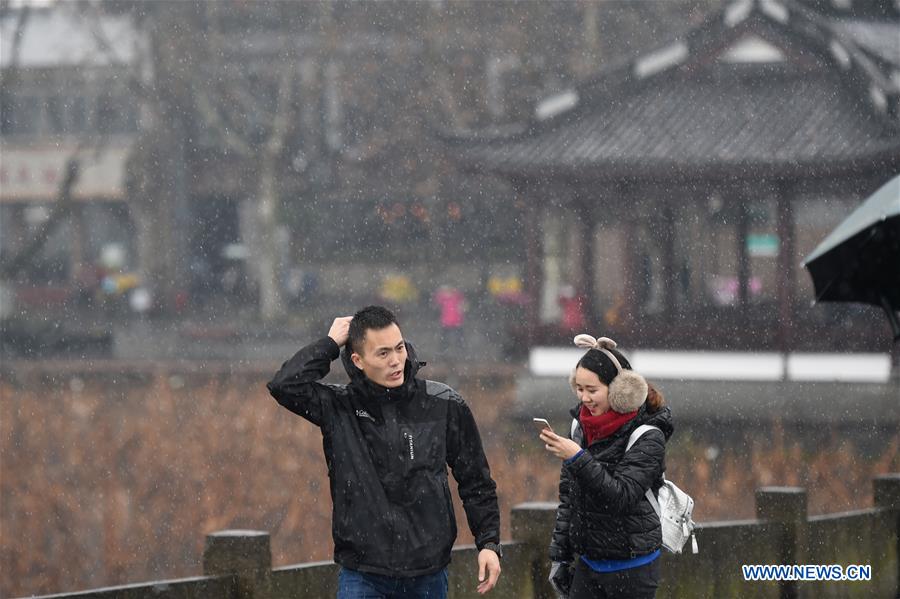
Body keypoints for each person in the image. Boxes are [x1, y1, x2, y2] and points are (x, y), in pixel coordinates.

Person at [267, 305, 502, 598]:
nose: (396, 361)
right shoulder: (340, 408)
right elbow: (284, 385)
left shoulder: (443, 404)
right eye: (383, 353)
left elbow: (476, 481)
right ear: (358, 360)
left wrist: (489, 543)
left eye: (399, 348)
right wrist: (329, 344)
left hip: (428, 573)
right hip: (364, 574)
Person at [539, 334, 672, 599]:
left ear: (620, 391)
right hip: (588, 564)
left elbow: (620, 497)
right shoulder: (580, 427)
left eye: (592, 390)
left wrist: (578, 458)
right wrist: (560, 558)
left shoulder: (647, 435)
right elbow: (569, 499)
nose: (584, 398)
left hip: (633, 567)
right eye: (579, 388)